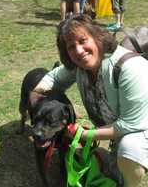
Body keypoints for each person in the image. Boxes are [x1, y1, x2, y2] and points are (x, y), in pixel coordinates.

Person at [33, 15, 148, 186]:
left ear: (96, 37)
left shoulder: (131, 68)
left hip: (141, 125)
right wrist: (36, 95)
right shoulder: (82, 66)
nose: (78, 50)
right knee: (116, 158)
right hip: (122, 127)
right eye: (71, 46)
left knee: (130, 148)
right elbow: (54, 77)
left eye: (83, 40)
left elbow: (131, 124)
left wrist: (87, 134)